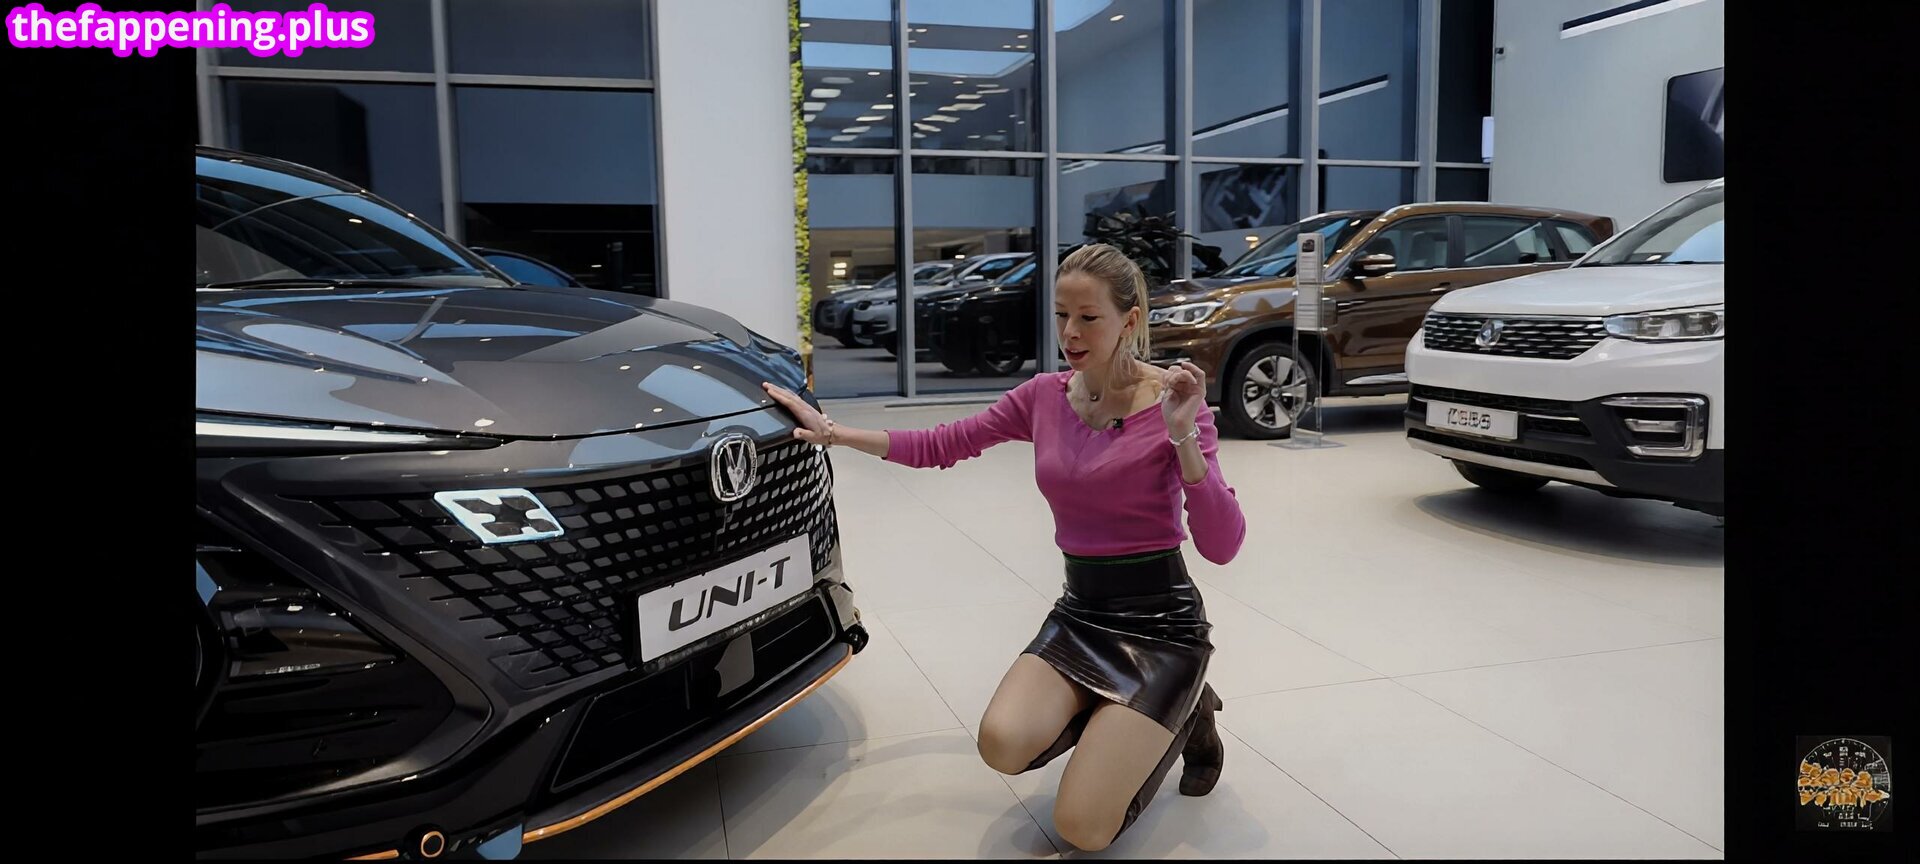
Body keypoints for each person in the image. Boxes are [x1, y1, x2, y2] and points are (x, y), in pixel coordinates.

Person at [762, 243, 1246, 851]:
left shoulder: (1175, 405)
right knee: (1002, 743)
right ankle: (1138, 719)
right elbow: (943, 444)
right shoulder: (1045, 395)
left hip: (1161, 626)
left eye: (1088, 317)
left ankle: (1184, 710)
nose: (1070, 333)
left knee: (1082, 828)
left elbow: (1223, 545)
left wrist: (1183, 438)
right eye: (1061, 315)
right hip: (1082, 614)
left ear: (1130, 320)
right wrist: (833, 433)